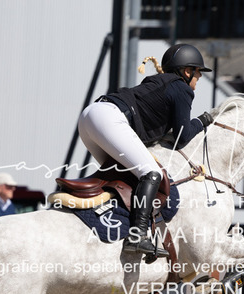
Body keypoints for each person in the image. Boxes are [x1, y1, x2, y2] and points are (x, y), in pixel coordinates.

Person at [78, 43, 214, 258]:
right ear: (187, 71)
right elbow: (182, 137)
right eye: (198, 72)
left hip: (90, 117)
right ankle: (137, 236)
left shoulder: (158, 83)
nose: (199, 77)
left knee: (123, 177)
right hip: (109, 119)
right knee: (152, 173)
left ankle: (108, 223)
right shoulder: (182, 88)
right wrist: (203, 120)